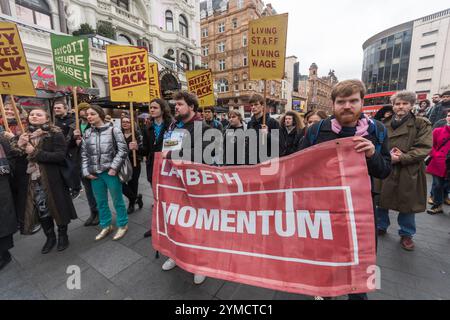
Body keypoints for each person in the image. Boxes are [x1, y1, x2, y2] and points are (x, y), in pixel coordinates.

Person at [299, 80, 391, 300]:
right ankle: (325, 293)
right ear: (333, 104)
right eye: (341, 101)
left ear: (362, 102)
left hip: (361, 211)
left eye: (353, 101)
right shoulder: (316, 130)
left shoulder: (376, 131)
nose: (347, 106)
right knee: (326, 258)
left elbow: (385, 170)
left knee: (359, 264)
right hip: (324, 210)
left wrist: (372, 155)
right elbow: (298, 165)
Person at [11, 107, 77, 254]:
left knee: (58, 207)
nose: (34, 116)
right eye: (32, 114)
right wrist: (19, 146)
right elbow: (15, 158)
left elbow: (60, 156)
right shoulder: (23, 135)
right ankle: (50, 237)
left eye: (38, 114)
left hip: (53, 179)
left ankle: (62, 235)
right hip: (33, 181)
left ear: (47, 118)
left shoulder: (55, 134)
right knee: (42, 210)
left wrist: (35, 152)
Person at [160, 91, 209, 285]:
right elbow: (167, 150)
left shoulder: (202, 127)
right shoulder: (174, 125)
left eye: (180, 104)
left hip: (195, 184)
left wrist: (170, 155)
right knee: (176, 219)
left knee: (196, 223)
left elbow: (202, 154)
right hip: (174, 181)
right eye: (175, 104)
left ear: (192, 107)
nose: (176, 107)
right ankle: (176, 254)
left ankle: (200, 263)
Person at [375, 91, 432, 251]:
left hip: (409, 168)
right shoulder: (384, 123)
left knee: (407, 203)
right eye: (398, 104)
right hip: (387, 166)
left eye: (405, 103)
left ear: (411, 105)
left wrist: (403, 157)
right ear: (393, 106)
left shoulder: (421, 123)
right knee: (382, 199)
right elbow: (376, 143)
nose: (401, 107)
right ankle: (381, 225)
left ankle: (406, 234)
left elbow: (424, 147)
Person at [81, 105, 129, 241]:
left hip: (110, 172)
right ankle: (106, 225)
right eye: (87, 115)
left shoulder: (114, 130)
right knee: (100, 202)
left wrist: (114, 167)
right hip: (95, 174)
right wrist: (86, 171)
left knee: (117, 200)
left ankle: (123, 224)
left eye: (92, 114)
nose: (89, 117)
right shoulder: (87, 133)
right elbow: (84, 154)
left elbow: (123, 150)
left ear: (100, 115)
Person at [142, 99, 173, 238]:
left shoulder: (172, 126)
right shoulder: (147, 128)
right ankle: (157, 225)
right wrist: (136, 148)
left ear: (163, 109)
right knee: (156, 198)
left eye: (155, 107)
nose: (152, 110)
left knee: (170, 197)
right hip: (152, 167)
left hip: (167, 166)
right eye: (150, 107)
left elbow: (174, 147)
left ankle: (172, 225)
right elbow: (146, 149)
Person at [73, 105, 99, 226]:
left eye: (88, 112)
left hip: (93, 163)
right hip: (80, 163)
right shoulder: (75, 126)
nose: (85, 114)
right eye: (83, 112)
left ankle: (99, 213)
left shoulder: (94, 126)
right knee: (88, 192)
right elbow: (66, 145)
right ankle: (93, 212)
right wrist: (73, 139)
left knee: (96, 191)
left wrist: (82, 141)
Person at [53, 98, 82, 199]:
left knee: (72, 169)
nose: (56, 109)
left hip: (71, 149)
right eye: (55, 108)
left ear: (65, 109)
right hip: (59, 149)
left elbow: (71, 136)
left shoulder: (73, 120)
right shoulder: (55, 120)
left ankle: (76, 188)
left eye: (59, 108)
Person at [426, 110, 450, 216]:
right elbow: (430, 145)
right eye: (449, 115)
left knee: (446, 185)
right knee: (437, 185)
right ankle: (437, 205)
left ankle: (444, 197)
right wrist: (435, 155)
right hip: (439, 162)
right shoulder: (438, 131)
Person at [247, 94, 281, 164]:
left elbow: (280, 143)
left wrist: (268, 134)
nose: (253, 107)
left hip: (267, 162)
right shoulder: (250, 124)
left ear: (262, 106)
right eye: (251, 105)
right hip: (252, 162)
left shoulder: (272, 122)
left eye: (256, 105)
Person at [0, 132, 17, 271]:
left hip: (1, 183)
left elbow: (11, 159)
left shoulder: (2, 139)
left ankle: (3, 254)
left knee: (2, 218)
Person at [121, 115, 144, 214]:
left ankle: (131, 204)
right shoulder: (118, 134)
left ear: (132, 124)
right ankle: (136, 197)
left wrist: (136, 147)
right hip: (122, 162)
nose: (125, 123)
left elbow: (141, 148)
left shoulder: (137, 135)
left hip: (134, 162)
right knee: (120, 183)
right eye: (123, 122)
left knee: (133, 183)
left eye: (128, 122)